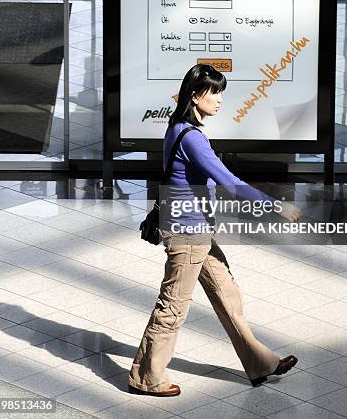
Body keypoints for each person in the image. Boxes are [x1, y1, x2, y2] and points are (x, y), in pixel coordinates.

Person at [128, 63, 302, 397]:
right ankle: (146, 377)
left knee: (228, 295)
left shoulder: (178, 126)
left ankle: (260, 363)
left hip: (196, 230)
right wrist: (275, 205)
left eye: (222, 92)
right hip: (188, 232)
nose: (220, 99)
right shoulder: (192, 138)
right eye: (215, 92)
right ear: (195, 95)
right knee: (173, 306)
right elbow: (229, 182)